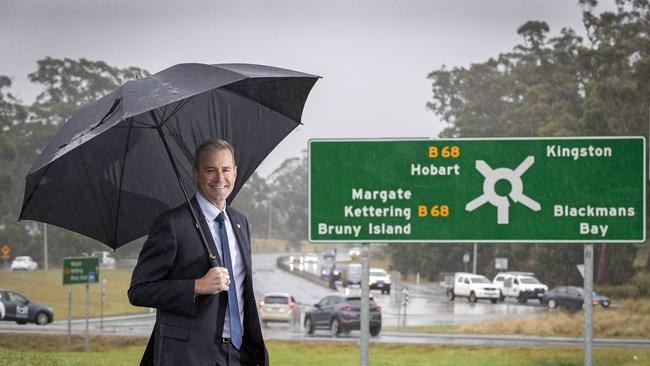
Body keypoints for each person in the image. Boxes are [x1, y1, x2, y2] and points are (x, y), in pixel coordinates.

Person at [128, 139, 267, 366]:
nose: (220, 179)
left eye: (225, 170)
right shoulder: (172, 224)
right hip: (190, 356)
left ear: (235, 172)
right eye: (210, 170)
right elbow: (138, 291)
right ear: (196, 173)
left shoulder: (240, 222)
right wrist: (196, 286)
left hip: (241, 354)